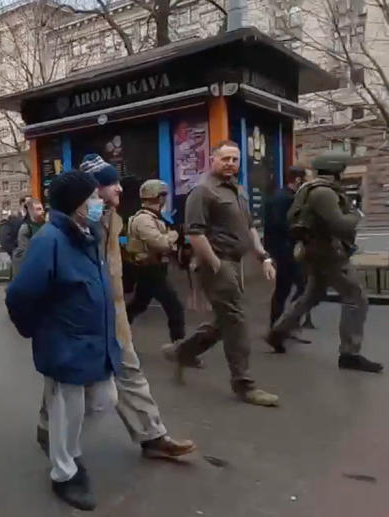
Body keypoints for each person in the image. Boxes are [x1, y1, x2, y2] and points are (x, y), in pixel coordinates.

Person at [6, 170, 121, 511]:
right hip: (65, 345)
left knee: (104, 399)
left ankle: (69, 451)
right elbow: (20, 294)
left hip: (95, 342)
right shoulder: (50, 240)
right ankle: (64, 473)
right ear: (76, 205)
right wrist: (38, 331)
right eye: (93, 199)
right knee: (66, 411)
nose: (99, 202)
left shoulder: (90, 232)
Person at [78, 156, 195, 458]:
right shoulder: (76, 224)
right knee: (70, 386)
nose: (119, 188)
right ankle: (56, 443)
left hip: (113, 313)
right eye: (110, 183)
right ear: (93, 189)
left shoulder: (110, 219)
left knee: (131, 372)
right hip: (82, 318)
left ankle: (153, 436)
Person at [162, 140, 279, 407]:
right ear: (212, 159)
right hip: (218, 263)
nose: (230, 163)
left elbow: (249, 229)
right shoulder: (202, 191)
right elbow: (194, 233)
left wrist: (263, 256)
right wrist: (214, 263)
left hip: (235, 262)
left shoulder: (238, 190)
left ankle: (180, 351)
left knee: (225, 320)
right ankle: (244, 384)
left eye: (235, 159)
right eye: (225, 158)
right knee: (236, 319)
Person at [267, 152, 382, 372]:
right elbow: (340, 225)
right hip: (328, 253)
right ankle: (350, 353)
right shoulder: (324, 193)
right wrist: (355, 215)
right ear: (336, 170)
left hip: (315, 252)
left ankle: (277, 332)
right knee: (356, 298)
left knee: (311, 295)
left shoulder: (310, 189)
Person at [125, 179, 187, 344]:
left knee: (138, 305)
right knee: (174, 307)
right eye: (163, 195)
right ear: (158, 197)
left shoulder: (154, 217)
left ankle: (118, 333)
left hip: (153, 269)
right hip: (149, 270)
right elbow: (160, 243)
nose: (165, 199)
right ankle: (179, 347)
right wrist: (175, 235)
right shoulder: (144, 219)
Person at [264, 166, 313, 341]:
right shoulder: (283, 198)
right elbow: (280, 223)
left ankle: (278, 326)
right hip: (286, 249)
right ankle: (284, 326)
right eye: (307, 178)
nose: (309, 181)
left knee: (285, 289)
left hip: (285, 248)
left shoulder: (287, 196)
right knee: (301, 288)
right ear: (298, 180)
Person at [12, 198, 46, 274]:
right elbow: (27, 251)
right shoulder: (26, 228)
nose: (42, 211)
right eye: (38, 209)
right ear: (31, 211)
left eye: (42, 208)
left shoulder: (46, 225)